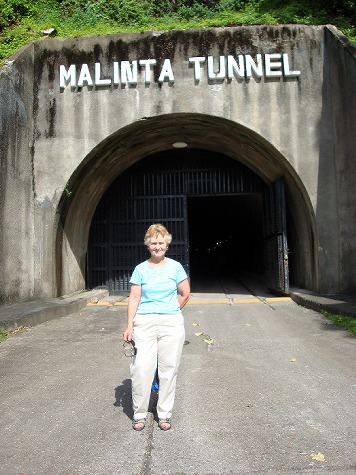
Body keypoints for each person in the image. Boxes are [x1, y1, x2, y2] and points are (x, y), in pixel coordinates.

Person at [123, 223, 190, 431]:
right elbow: (134, 298)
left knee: (169, 369)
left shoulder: (176, 267)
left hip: (171, 323)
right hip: (144, 322)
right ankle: (140, 413)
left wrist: (171, 310)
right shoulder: (140, 269)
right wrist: (129, 326)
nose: (157, 246)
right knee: (142, 368)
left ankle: (164, 413)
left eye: (161, 243)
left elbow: (185, 293)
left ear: (167, 244)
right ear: (148, 245)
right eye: (153, 243)